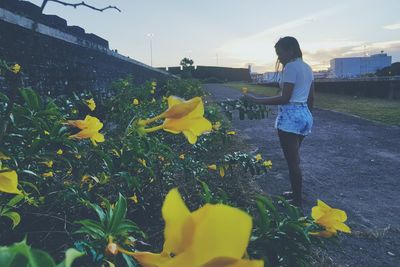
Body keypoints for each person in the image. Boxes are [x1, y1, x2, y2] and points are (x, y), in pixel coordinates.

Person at [243, 36, 314, 208]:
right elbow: (311, 97)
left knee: (292, 161)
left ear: (290, 50)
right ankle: (295, 193)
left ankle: (297, 201)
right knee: (294, 159)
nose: (279, 58)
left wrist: (256, 100)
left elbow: (285, 98)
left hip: (290, 118)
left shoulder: (290, 67)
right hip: (304, 115)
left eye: (279, 53)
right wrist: (307, 117)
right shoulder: (307, 67)